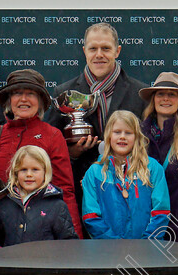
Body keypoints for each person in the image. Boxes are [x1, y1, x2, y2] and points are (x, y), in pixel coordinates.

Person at [45, 22, 148, 209]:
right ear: (84, 51)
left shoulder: (140, 93)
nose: (99, 54)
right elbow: (48, 148)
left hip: (130, 194)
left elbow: (149, 146)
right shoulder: (64, 93)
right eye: (93, 48)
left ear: (117, 51)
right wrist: (72, 153)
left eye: (106, 48)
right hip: (80, 194)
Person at [0, 69, 82, 237]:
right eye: (17, 93)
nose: (23, 99)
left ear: (40, 100)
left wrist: (74, 239)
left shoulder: (52, 135)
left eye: (30, 93)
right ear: (9, 100)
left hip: (41, 235)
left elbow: (65, 191)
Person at [81, 110, 169, 240]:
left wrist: (147, 243)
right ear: (108, 136)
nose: (122, 137)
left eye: (128, 133)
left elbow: (161, 211)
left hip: (147, 251)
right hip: (108, 252)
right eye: (117, 132)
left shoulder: (153, 168)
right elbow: (91, 216)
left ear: (137, 137)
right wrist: (115, 245)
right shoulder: (94, 172)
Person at [139, 72, 178, 244]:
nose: (165, 98)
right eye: (160, 93)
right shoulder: (137, 134)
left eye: (172, 94)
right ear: (153, 99)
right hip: (146, 227)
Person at [0, 145, 78, 249]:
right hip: (10, 263)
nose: (29, 174)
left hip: (44, 264)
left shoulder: (57, 206)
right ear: (15, 172)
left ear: (45, 172)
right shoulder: (5, 202)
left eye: (35, 169)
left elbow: (69, 244)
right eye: (23, 169)